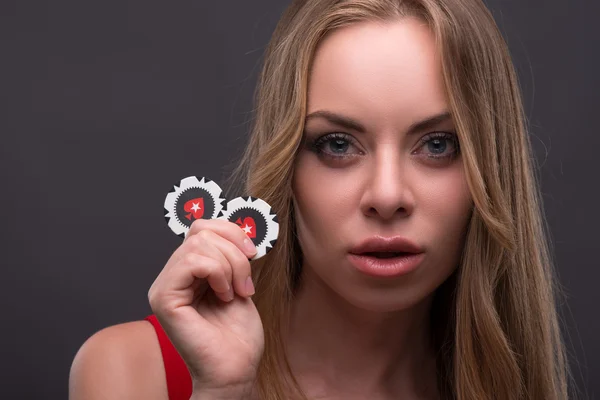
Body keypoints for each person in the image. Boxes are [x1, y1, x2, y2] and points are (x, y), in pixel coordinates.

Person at [69, 0, 572, 399]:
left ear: (491, 169)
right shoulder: (131, 373)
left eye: (438, 145)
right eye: (337, 145)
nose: (387, 195)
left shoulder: (513, 384)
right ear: (287, 166)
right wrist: (223, 393)